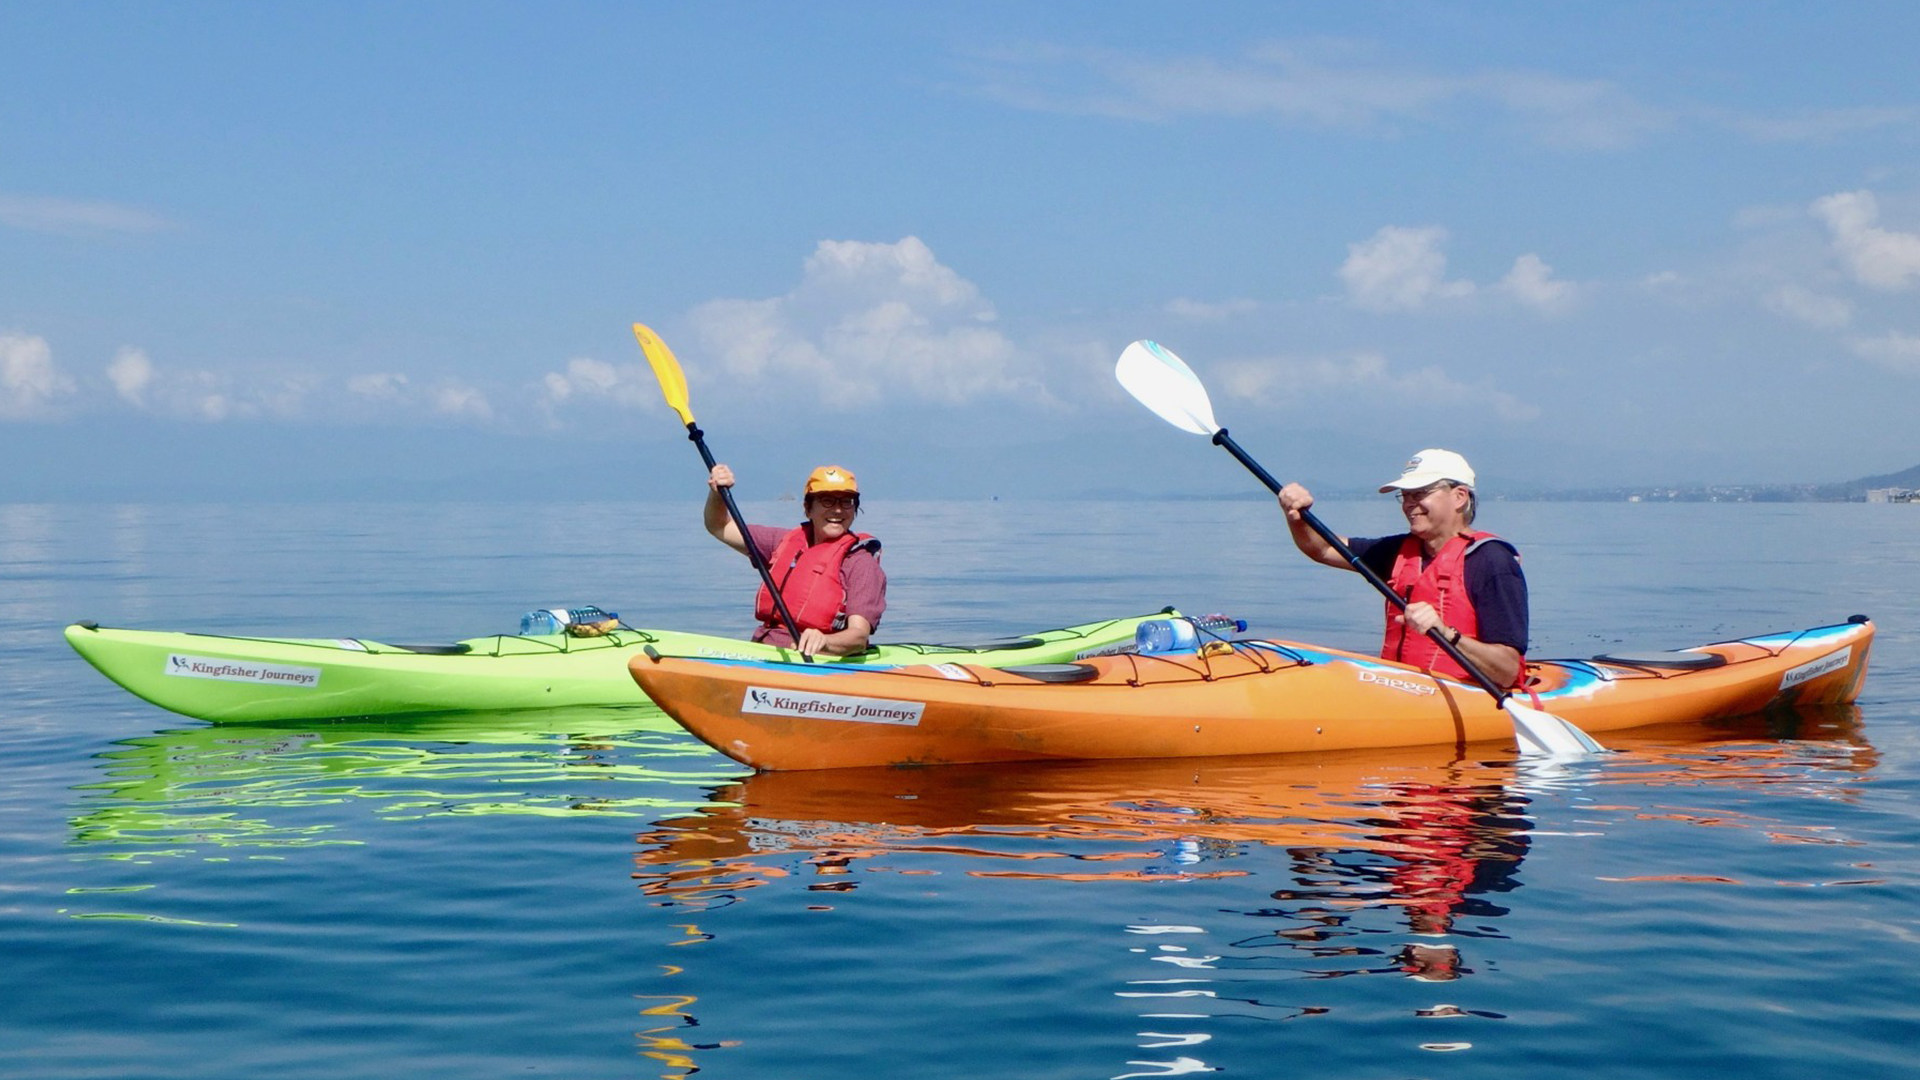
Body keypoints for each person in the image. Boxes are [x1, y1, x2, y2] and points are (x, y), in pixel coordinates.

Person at [1275, 449, 1527, 688]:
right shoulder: (1398, 551)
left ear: (1459, 496)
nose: (1409, 504)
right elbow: (1323, 549)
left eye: (1420, 493)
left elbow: (1507, 671)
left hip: (1467, 696)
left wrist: (1446, 633)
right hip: (1403, 692)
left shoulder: (1493, 562)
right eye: (1405, 495)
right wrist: (1296, 516)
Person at [704, 463, 886, 656]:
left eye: (846, 502)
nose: (838, 510)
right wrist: (717, 493)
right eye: (827, 501)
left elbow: (858, 636)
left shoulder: (860, 562)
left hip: (818, 662)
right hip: (765, 650)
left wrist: (825, 641)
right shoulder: (782, 542)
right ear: (808, 508)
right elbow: (718, 526)